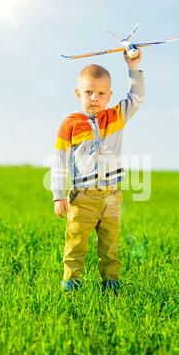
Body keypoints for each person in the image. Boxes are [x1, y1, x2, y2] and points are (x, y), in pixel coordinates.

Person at [51, 48, 144, 292]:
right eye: (89, 92)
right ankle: (71, 283)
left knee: (110, 246)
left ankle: (111, 285)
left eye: (101, 93)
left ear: (109, 95)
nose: (94, 97)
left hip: (112, 196)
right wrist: (58, 195)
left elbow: (136, 98)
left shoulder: (116, 117)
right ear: (78, 93)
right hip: (83, 198)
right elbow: (60, 160)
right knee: (75, 244)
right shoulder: (70, 124)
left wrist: (133, 67)